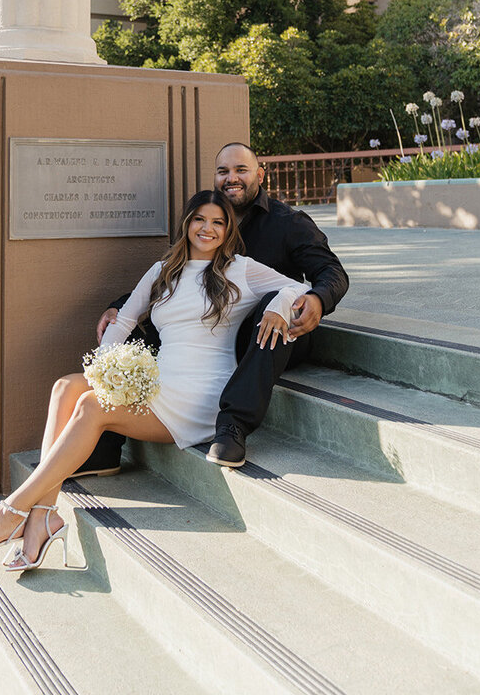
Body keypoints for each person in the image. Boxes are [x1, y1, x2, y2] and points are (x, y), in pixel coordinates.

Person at [0, 189, 305, 572]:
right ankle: (42, 517)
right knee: (67, 387)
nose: (208, 228)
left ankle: (10, 512)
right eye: (200, 219)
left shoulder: (240, 268)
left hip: (201, 393)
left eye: (219, 222)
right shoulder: (163, 271)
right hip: (160, 380)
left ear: (228, 229)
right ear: (187, 223)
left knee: (89, 405)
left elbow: (297, 287)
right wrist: (102, 371)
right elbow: (124, 320)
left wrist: (278, 306)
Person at [89, 141, 349, 471]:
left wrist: (316, 298)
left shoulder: (289, 222)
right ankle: (107, 443)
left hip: (273, 335)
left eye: (241, 170)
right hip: (215, 333)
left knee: (271, 303)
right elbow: (180, 279)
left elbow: (332, 273)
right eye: (223, 171)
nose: (232, 178)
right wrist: (121, 306)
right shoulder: (207, 222)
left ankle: (233, 425)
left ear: (260, 174)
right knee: (146, 323)